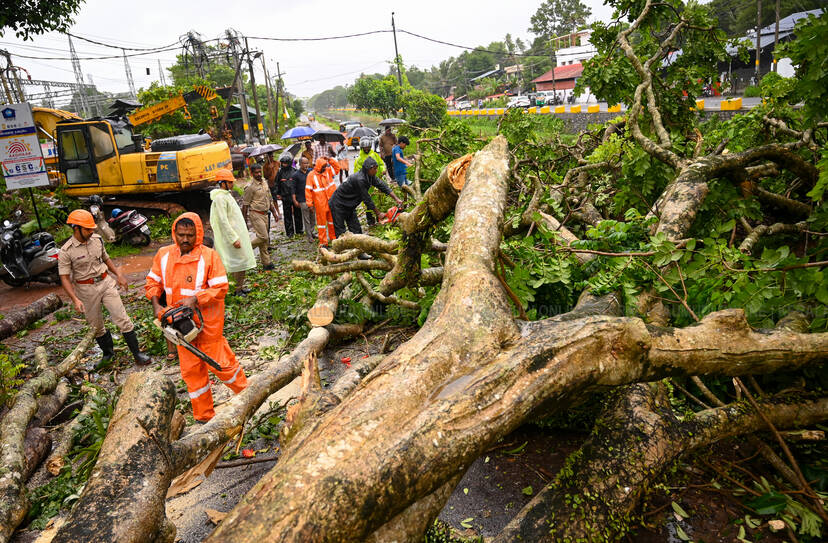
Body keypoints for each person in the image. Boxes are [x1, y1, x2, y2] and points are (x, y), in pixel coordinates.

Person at [145, 213, 248, 422]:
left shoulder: (209, 256)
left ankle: (250, 397)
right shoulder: (164, 255)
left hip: (208, 327)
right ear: (174, 233)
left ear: (198, 234)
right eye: (181, 234)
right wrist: (156, 305)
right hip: (180, 330)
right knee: (192, 374)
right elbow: (152, 283)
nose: (185, 239)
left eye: (190, 235)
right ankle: (203, 416)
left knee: (225, 367)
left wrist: (196, 298)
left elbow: (221, 288)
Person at [59, 209, 150, 366]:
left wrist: (118, 275)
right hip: (85, 289)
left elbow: (106, 259)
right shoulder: (66, 251)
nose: (91, 231)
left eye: (91, 228)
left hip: (106, 283)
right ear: (76, 228)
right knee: (96, 326)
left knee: (122, 318)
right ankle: (108, 355)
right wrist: (74, 299)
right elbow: (64, 278)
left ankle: (137, 354)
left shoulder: (97, 239)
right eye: (87, 229)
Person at [329, 157, 403, 238]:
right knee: (340, 231)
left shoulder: (370, 176)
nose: (376, 171)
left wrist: (396, 199)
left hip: (350, 205)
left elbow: (383, 186)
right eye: (375, 169)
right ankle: (342, 249)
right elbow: (367, 199)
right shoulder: (360, 179)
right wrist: (378, 213)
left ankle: (357, 248)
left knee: (356, 230)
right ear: (369, 169)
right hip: (338, 204)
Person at [210, 169, 256, 297]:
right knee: (237, 264)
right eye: (230, 182)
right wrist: (233, 238)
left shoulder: (226, 195)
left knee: (242, 263)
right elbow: (223, 221)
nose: (232, 184)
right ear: (222, 183)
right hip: (233, 238)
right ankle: (236, 290)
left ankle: (240, 287)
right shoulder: (219, 198)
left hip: (238, 235)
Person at [242, 163, 280, 270]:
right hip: (255, 214)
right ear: (252, 173)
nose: (259, 174)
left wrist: (275, 213)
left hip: (265, 214)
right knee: (264, 237)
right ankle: (246, 250)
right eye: (256, 172)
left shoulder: (264, 182)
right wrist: (244, 222)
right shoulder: (250, 187)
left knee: (263, 240)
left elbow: (269, 199)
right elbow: (245, 205)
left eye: (260, 172)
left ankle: (266, 263)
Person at [305, 156, 340, 247]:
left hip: (331, 201)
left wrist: (330, 160)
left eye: (325, 166)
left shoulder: (327, 171)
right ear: (318, 166)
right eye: (323, 166)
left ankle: (333, 239)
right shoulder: (311, 175)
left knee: (332, 221)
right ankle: (323, 242)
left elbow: (337, 168)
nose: (325, 168)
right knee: (321, 224)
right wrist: (309, 204)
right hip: (320, 204)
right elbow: (308, 190)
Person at [354, 138, 387, 226]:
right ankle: (370, 220)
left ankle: (379, 218)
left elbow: (381, 163)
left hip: (377, 180)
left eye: (368, 147)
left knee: (379, 200)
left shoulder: (375, 155)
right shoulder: (359, 159)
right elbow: (357, 172)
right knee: (368, 201)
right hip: (366, 184)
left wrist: (383, 170)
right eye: (364, 148)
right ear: (361, 148)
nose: (366, 149)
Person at [275, 154, 304, 237]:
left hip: (295, 195)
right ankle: (289, 232)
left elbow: (299, 183)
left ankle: (299, 230)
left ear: (289, 163)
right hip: (285, 196)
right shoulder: (280, 172)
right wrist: (277, 194)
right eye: (282, 163)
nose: (284, 165)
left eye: (285, 163)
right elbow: (276, 184)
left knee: (298, 213)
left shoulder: (295, 171)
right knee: (287, 215)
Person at [292, 156, 316, 243]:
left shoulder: (310, 172)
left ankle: (312, 232)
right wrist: (294, 200)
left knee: (313, 217)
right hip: (302, 200)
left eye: (307, 163)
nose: (306, 165)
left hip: (312, 198)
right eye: (304, 163)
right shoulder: (296, 175)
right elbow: (293, 189)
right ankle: (309, 236)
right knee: (306, 219)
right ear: (300, 164)